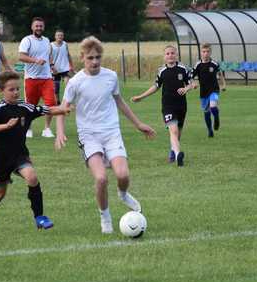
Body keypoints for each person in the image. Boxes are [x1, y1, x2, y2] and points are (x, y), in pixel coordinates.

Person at [54, 36, 156, 234]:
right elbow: (62, 109)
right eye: (90, 58)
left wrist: (138, 124)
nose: (95, 61)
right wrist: (59, 132)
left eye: (98, 57)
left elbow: (120, 102)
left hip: (111, 133)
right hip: (89, 136)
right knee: (101, 178)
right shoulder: (75, 82)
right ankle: (105, 217)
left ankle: (123, 194)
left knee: (123, 175)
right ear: (82, 57)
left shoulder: (111, 76)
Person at [0, 71, 69, 232]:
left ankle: (40, 217)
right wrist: (5, 126)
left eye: (17, 89)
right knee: (0, 192)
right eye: (11, 90)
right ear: (2, 91)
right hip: (2, 158)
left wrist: (64, 109)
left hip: (20, 154)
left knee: (32, 177)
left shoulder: (25, 107)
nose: (16, 92)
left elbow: (46, 110)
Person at [131, 45, 194, 166]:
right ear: (164, 57)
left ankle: (173, 152)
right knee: (173, 131)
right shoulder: (161, 71)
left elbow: (191, 84)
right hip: (167, 106)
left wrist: (186, 88)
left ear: (176, 55)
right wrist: (141, 96)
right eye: (167, 54)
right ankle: (178, 156)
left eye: (172, 53)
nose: (170, 55)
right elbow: (156, 86)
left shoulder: (183, 69)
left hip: (181, 106)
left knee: (178, 133)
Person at [18, 17, 56, 138]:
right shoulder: (27, 40)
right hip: (31, 78)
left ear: (43, 27)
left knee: (51, 103)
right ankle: (28, 128)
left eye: (41, 26)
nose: (39, 28)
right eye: (37, 26)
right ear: (32, 27)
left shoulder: (47, 41)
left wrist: (51, 65)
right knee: (30, 106)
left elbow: (49, 55)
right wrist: (35, 60)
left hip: (46, 78)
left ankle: (47, 129)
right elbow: (21, 57)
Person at [191, 43, 226, 137]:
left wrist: (223, 85)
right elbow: (190, 77)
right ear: (201, 53)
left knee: (213, 106)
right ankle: (210, 130)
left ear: (210, 53)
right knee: (206, 112)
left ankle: (217, 118)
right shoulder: (198, 65)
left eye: (207, 52)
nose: (205, 53)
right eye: (204, 52)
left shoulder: (214, 64)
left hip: (214, 90)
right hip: (203, 92)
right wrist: (193, 83)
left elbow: (220, 75)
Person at [51, 29, 74, 104]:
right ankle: (57, 101)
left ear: (63, 36)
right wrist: (52, 67)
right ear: (55, 36)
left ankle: (66, 101)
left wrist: (71, 65)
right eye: (58, 35)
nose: (60, 37)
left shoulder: (65, 44)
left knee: (68, 84)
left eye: (61, 35)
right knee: (56, 88)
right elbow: (48, 57)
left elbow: (68, 55)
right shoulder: (51, 45)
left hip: (65, 69)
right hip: (55, 70)